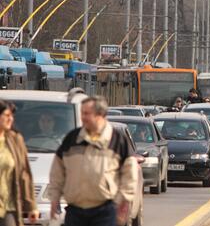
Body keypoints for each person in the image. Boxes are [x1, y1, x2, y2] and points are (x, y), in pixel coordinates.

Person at [49, 96, 139, 226]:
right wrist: (54, 199)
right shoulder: (72, 139)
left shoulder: (117, 140)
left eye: (86, 114)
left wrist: (123, 201)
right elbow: (57, 172)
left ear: (100, 115)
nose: (82, 117)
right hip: (75, 212)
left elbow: (130, 175)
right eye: (81, 113)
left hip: (105, 211)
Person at [0, 100, 39, 226]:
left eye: (11, 116)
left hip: (8, 207)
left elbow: (24, 174)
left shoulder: (15, 140)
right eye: (6, 115)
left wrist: (31, 206)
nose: (10, 119)